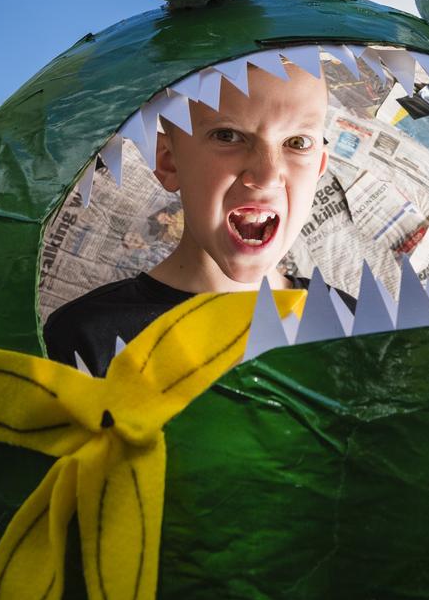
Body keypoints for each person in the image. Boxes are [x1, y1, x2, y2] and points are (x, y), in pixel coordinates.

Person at [44, 61, 344, 375]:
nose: (267, 176)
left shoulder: (353, 325)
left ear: (319, 168)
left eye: (298, 143)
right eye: (228, 136)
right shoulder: (85, 339)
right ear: (169, 162)